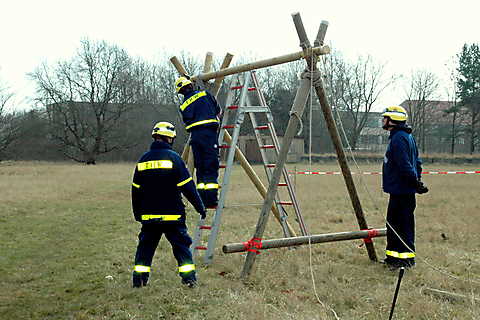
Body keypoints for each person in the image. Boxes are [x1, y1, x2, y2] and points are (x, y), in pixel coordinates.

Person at [131, 121, 206, 288]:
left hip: (149, 217)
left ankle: (139, 281)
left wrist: (137, 213)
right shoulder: (175, 159)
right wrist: (200, 207)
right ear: (170, 138)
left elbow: (135, 191)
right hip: (173, 216)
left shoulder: (142, 161)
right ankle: (189, 280)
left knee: (145, 249)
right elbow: (188, 188)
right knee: (181, 249)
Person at [381, 106, 429, 270]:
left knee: (401, 226)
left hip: (402, 191)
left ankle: (405, 260)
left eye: (385, 118)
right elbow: (418, 163)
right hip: (400, 191)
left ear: (392, 120)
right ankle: (393, 259)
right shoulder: (406, 137)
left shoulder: (399, 139)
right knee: (395, 225)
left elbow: (405, 164)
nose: (383, 120)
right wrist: (417, 181)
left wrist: (415, 183)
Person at [175, 76, 221, 208]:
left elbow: (187, 121)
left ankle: (202, 200)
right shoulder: (204, 94)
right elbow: (218, 111)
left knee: (200, 168)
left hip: (195, 137)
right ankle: (211, 201)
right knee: (211, 165)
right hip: (209, 134)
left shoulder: (183, 105)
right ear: (191, 85)